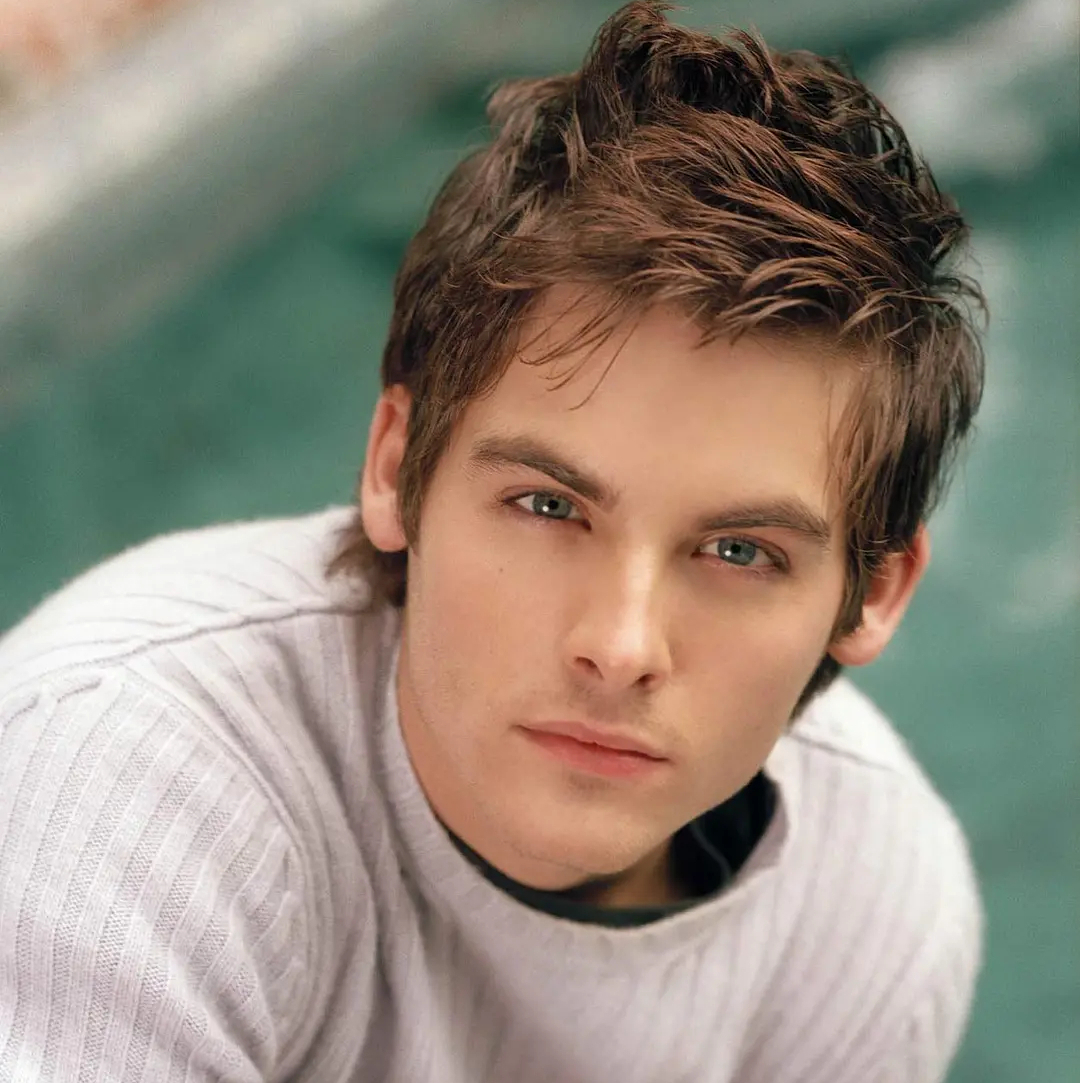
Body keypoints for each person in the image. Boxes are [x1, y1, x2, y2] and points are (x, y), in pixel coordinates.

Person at [0, 3, 987, 1080]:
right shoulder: (124, 772)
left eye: (739, 552)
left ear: (874, 591)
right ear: (394, 468)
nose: (620, 645)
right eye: (549, 507)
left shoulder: (871, 902)